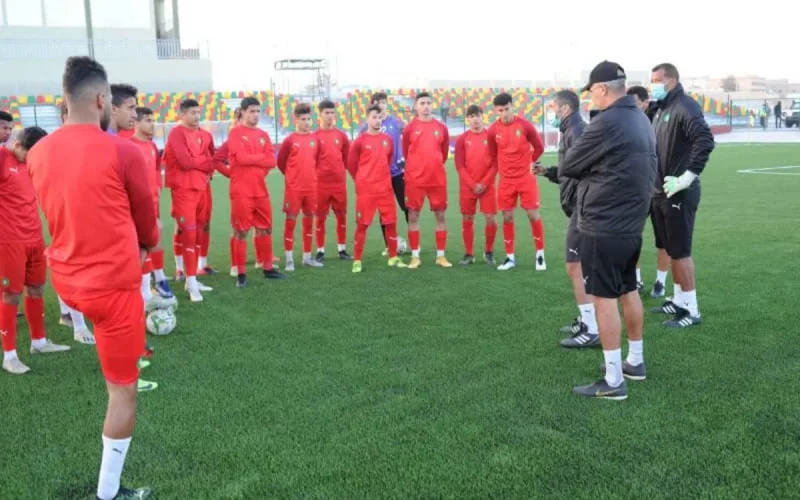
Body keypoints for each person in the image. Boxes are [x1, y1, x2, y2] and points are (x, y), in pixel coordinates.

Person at [27, 55, 156, 499]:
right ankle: (108, 492)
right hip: (112, 287)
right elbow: (148, 223)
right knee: (123, 390)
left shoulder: (38, 151)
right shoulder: (122, 150)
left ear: (64, 99)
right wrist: (144, 244)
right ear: (102, 99)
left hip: (68, 282)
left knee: (114, 368)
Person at [559, 61, 657, 400]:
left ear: (601, 89)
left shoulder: (607, 121)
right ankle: (635, 361)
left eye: (592, 92)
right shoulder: (640, 118)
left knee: (604, 298)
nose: (591, 98)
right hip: (631, 223)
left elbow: (571, 165)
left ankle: (613, 380)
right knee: (628, 289)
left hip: (604, 222)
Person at [649, 63, 715, 328]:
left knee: (681, 252)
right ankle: (678, 300)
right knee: (670, 250)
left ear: (672, 80)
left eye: (657, 80)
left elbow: (705, 140)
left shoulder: (685, 106)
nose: (653, 85)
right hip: (660, 191)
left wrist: (686, 178)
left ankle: (691, 310)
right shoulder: (661, 108)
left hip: (679, 191)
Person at [1, 127, 72, 375]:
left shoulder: (33, 164)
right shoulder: (3, 158)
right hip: (9, 241)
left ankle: (39, 342)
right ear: (18, 145)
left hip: (34, 237)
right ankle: (9, 355)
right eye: (30, 152)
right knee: (10, 295)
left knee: (36, 288)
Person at [534, 90, 598, 348]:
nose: (550, 111)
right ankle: (588, 321)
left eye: (553, 107)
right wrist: (549, 172)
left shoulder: (577, 131)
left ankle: (591, 327)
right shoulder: (571, 130)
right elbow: (571, 169)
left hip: (584, 206)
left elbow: (586, 170)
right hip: (579, 205)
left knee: (575, 265)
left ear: (565, 109)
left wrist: (581, 201)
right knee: (581, 265)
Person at [228, 96, 286, 287]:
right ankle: (241, 274)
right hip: (241, 191)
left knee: (265, 228)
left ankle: (268, 268)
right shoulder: (235, 133)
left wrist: (255, 160)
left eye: (258, 111)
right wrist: (261, 158)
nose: (255, 115)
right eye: (251, 111)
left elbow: (272, 161)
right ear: (243, 112)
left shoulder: (263, 135)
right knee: (241, 231)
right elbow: (241, 158)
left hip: (260, 189)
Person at [163, 99, 216, 302]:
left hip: (201, 188)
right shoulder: (177, 133)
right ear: (182, 114)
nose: (196, 116)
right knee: (188, 234)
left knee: (198, 232)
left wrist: (200, 164)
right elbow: (185, 163)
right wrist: (202, 162)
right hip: (184, 190)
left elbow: (212, 160)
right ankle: (189, 281)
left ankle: (191, 279)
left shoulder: (205, 135)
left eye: (198, 112)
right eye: (192, 112)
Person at [487, 92, 547, 271]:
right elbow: (492, 154)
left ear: (512, 106)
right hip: (506, 180)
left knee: (532, 214)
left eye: (507, 109)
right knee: (507, 216)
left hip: (525, 178)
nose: (504, 113)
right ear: (495, 111)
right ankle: (510, 257)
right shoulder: (493, 130)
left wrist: (530, 162)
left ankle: (540, 255)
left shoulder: (525, 125)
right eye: (500, 110)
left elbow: (539, 147)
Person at [347, 105, 408, 272]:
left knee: (391, 223)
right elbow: (351, 165)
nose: (377, 120)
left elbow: (388, 162)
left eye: (380, 117)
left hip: (385, 189)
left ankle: (393, 257)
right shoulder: (359, 141)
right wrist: (361, 181)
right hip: (366, 191)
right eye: (374, 117)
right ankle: (357, 260)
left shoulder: (387, 140)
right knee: (362, 225)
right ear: (367, 118)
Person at [130, 107, 177, 310]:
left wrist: (158, 185)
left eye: (152, 120)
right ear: (136, 122)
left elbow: (157, 168)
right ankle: (144, 291)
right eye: (148, 120)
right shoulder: (130, 146)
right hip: (138, 205)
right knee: (142, 245)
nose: (152, 124)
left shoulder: (151, 145)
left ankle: (157, 280)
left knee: (155, 240)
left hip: (153, 203)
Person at [627, 85, 671, 297]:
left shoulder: (660, 116)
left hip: (660, 189)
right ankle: (636, 280)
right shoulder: (626, 121)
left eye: (635, 102)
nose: (632, 107)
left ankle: (660, 282)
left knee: (662, 239)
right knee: (632, 237)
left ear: (645, 102)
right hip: (637, 190)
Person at [402, 91, 452, 269]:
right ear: (416, 106)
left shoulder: (441, 128)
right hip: (415, 180)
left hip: (436, 179)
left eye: (429, 103)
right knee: (413, 216)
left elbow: (443, 153)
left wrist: (434, 166)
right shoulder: (409, 128)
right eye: (422, 103)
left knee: (440, 216)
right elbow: (406, 151)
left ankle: (441, 256)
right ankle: (415, 256)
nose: (426, 107)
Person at [359, 92, 407, 256]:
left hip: (397, 173)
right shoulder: (365, 128)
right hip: (379, 177)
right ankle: (389, 245)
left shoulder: (396, 123)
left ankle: (415, 244)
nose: (381, 105)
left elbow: (408, 139)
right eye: (378, 102)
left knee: (407, 207)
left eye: (384, 102)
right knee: (383, 212)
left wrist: (404, 160)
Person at [277, 103, 323, 271]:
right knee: (290, 222)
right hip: (294, 189)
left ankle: (307, 257)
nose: (307, 122)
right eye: (303, 119)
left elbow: (316, 161)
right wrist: (292, 177)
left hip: (311, 188)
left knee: (309, 221)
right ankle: (289, 259)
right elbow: (281, 163)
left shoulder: (315, 140)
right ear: (295, 120)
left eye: (309, 119)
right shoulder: (289, 140)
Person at [454, 105, 498, 266]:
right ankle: (469, 253)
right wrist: (472, 184)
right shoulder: (462, 139)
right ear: (467, 119)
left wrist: (484, 183)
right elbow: (459, 165)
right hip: (468, 186)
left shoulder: (491, 137)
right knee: (467, 217)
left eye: (477, 115)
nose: (475, 119)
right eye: (471, 116)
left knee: (490, 218)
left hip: (487, 186)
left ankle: (489, 252)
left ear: (482, 116)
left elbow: (496, 163)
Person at [314, 99, 352, 262]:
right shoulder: (315, 136)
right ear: (320, 115)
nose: (330, 116)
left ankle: (342, 249)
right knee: (320, 218)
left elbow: (347, 158)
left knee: (341, 217)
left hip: (338, 184)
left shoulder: (341, 136)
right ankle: (320, 251)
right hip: (320, 184)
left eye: (332, 113)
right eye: (326, 113)